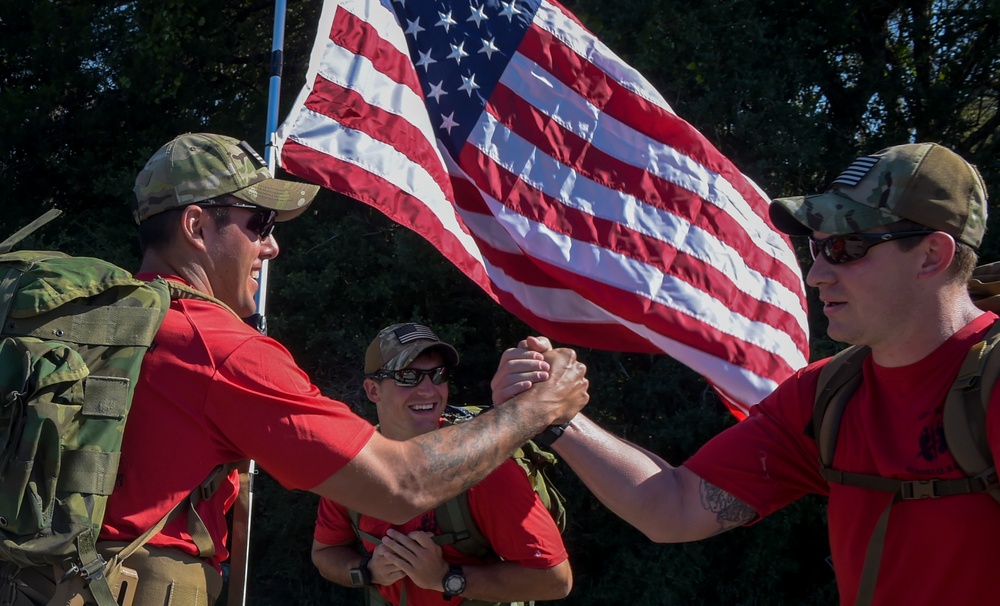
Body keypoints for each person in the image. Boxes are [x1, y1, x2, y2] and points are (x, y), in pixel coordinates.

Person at [6, 132, 588, 605]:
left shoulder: (93, 326)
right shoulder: (217, 346)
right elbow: (400, 484)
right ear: (195, 226)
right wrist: (538, 408)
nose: (271, 247)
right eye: (258, 224)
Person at [494, 143, 999, 605]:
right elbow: (674, 506)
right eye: (817, 249)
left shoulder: (990, 379)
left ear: (932, 255)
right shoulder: (825, 395)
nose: (818, 273)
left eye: (846, 248)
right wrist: (554, 416)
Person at [312, 323, 572, 606]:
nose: (428, 390)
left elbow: (555, 580)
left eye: (438, 375)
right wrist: (368, 571)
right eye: (408, 376)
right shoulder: (354, 467)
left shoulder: (484, 468)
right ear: (373, 390)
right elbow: (326, 553)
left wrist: (445, 578)